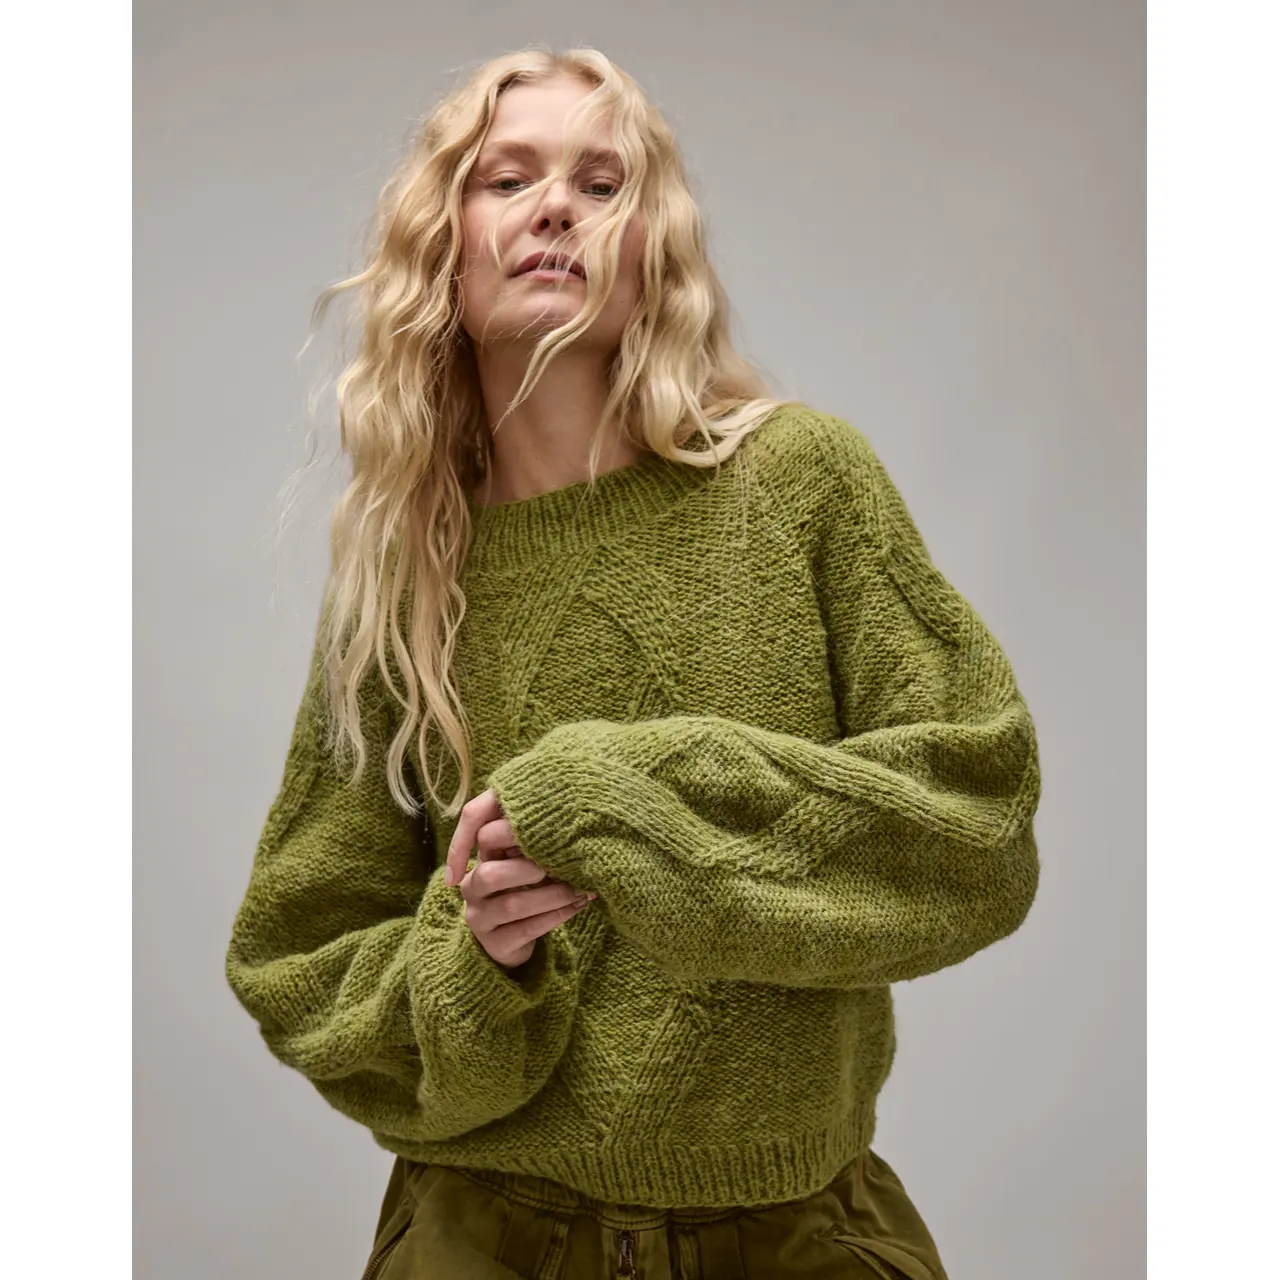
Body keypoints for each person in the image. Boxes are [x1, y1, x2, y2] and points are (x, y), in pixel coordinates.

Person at [224, 45, 1041, 1280]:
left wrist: (627, 800)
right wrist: (475, 957)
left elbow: (975, 827)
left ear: (653, 250)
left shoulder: (799, 484)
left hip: (792, 1237)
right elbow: (300, 960)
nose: (554, 206)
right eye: (508, 179)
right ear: (443, 245)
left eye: (600, 184)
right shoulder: (407, 573)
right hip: (483, 1235)